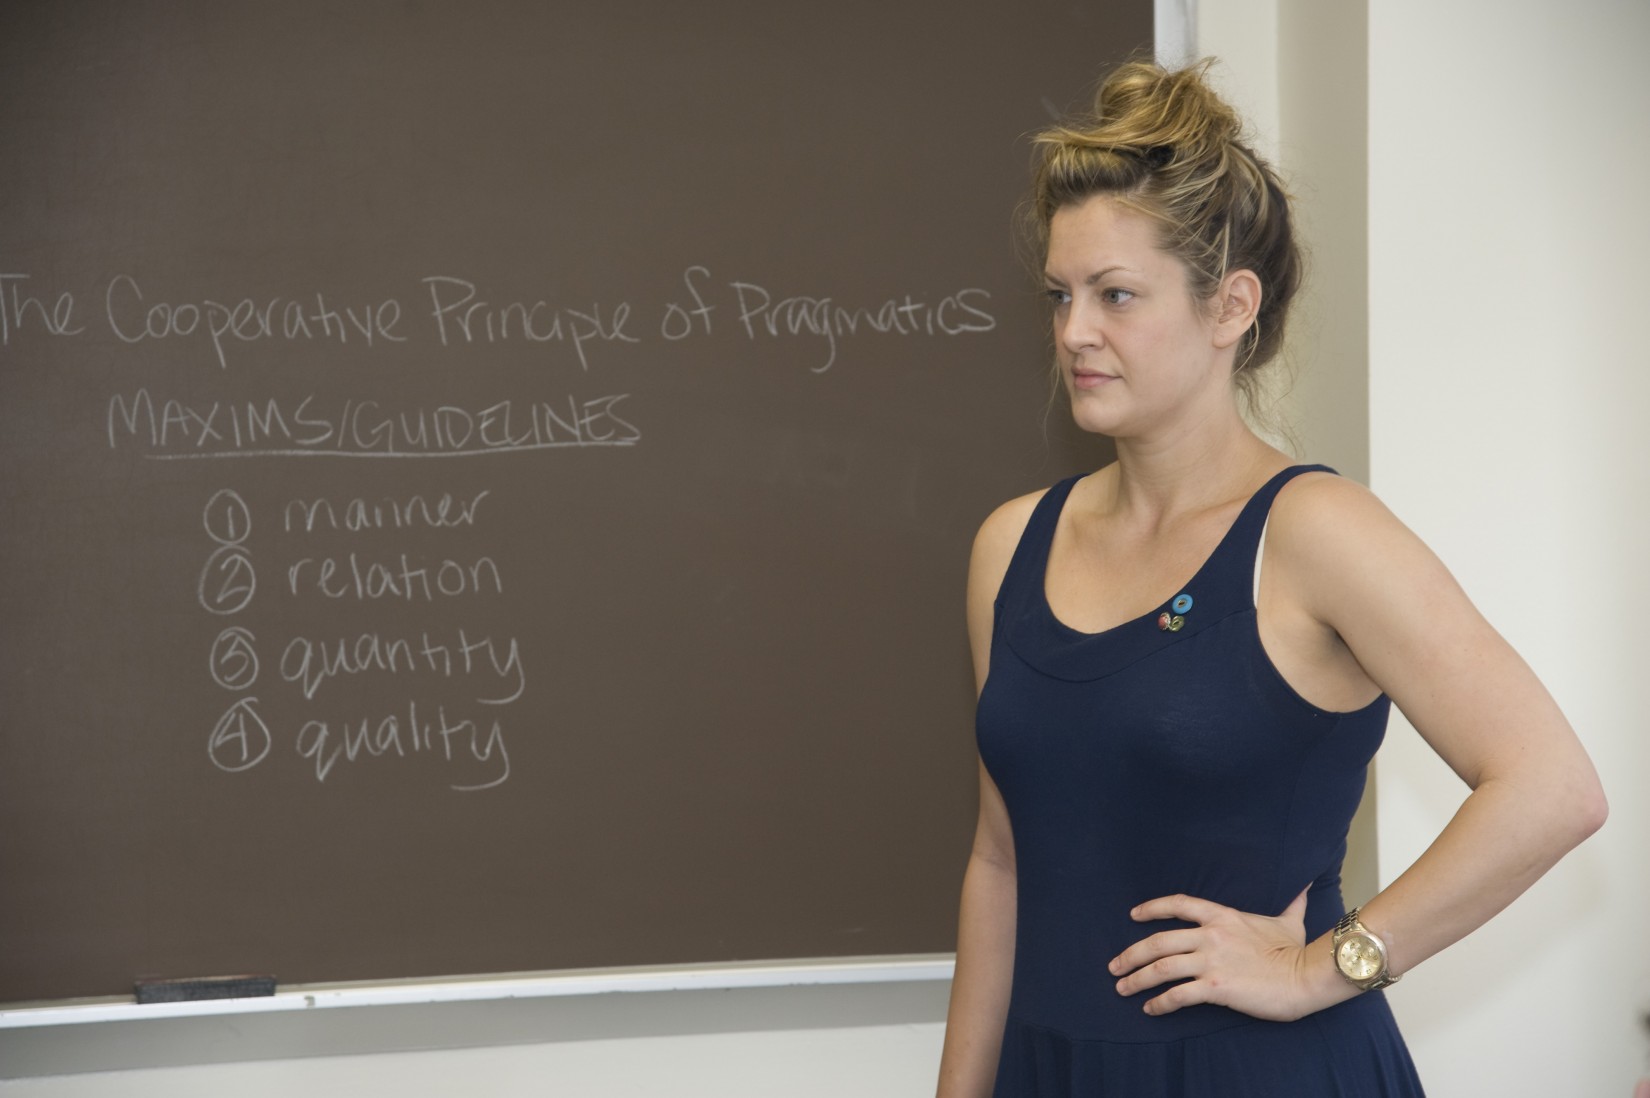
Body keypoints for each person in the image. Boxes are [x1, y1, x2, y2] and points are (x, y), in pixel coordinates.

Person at [934, 59, 1607, 1097]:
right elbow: (1000, 861)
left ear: (1229, 307)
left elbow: (1553, 788)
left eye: (1116, 295)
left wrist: (1317, 970)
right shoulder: (1011, 544)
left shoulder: (1315, 533)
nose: (1073, 332)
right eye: (1061, 295)